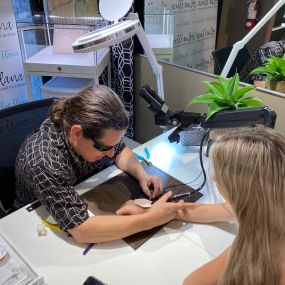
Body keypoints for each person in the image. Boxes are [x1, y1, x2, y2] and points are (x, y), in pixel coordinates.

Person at [15, 85, 184, 243]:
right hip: (35, 218)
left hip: (82, 190)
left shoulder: (94, 131)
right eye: (104, 147)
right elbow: (82, 230)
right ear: (76, 133)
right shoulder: (44, 162)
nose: (111, 153)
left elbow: (120, 151)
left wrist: (142, 175)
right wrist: (151, 219)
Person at [117, 128, 285, 285]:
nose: (214, 179)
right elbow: (207, 211)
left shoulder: (260, 249)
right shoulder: (270, 204)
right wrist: (151, 210)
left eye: (220, 174)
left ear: (242, 189)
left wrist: (146, 218)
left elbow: (191, 282)